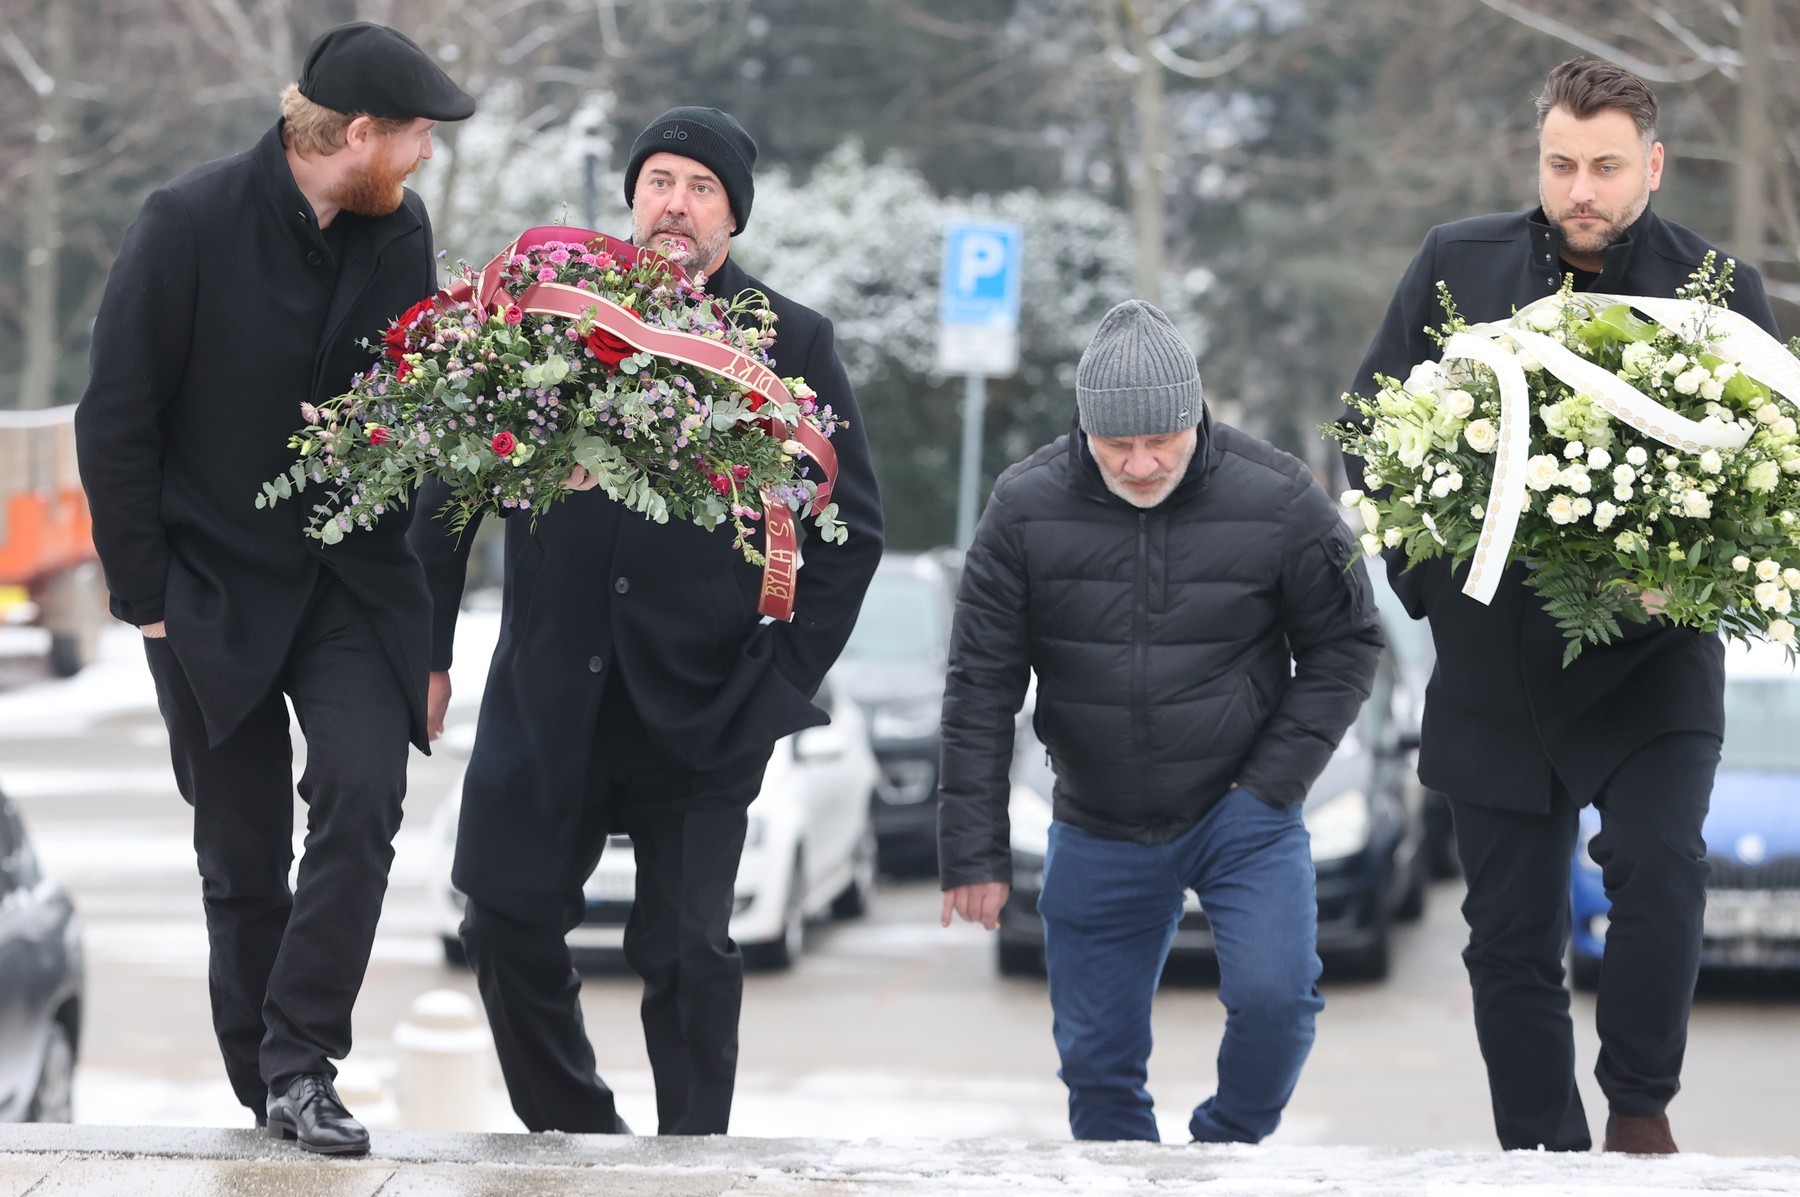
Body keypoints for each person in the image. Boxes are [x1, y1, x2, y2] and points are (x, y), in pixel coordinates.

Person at [410, 106, 883, 1137]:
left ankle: (690, 1160)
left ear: (733, 220)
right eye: (660, 180)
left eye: (702, 188)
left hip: (703, 703)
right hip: (548, 690)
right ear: (633, 197)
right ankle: (580, 1137)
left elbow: (853, 533)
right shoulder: (552, 309)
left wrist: (778, 681)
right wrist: (431, 652)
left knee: (683, 953)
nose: (676, 203)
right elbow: (443, 491)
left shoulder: (792, 341)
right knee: (501, 918)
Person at [1346, 57, 1782, 1155]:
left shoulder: (1720, 288)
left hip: (1655, 659)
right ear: (1537, 159)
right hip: (1493, 667)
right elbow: (1366, 434)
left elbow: (1774, 469)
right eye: (1559, 165)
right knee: (1506, 936)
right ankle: (1542, 1152)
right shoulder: (1458, 260)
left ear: (1653, 166)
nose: (1580, 189)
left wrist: (1686, 583)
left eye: (1604, 167)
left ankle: (1640, 1111)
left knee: (1662, 868)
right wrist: (1432, 587)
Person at [73, 23, 474, 1155]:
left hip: (352, 581)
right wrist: (144, 590)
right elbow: (117, 416)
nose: (426, 159)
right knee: (242, 857)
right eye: (416, 138)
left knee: (363, 797)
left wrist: (399, 426)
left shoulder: (400, 231)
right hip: (206, 590)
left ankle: (305, 1062)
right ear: (356, 134)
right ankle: (267, 1090)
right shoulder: (185, 222)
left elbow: (415, 396)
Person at [938, 299, 1383, 1143]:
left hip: (1241, 812)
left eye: (1162, 442)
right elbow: (979, 685)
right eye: (1118, 446)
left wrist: (1270, 786)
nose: (1141, 464)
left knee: (1276, 1002)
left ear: (1196, 413)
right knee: (1097, 1061)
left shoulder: (1280, 496)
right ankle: (1125, 1175)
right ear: (1084, 426)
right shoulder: (1024, 508)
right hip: (1097, 816)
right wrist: (972, 849)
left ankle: (1223, 1150)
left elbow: (1349, 645)